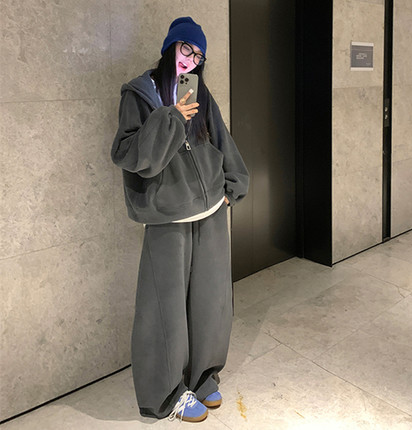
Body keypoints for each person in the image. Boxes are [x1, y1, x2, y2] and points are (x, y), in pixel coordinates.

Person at [111, 16, 249, 423]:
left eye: (199, 55)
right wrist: (170, 116)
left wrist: (233, 185)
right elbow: (130, 155)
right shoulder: (139, 93)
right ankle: (167, 393)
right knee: (163, 309)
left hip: (210, 210)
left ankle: (204, 377)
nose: (191, 59)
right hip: (167, 215)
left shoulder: (199, 91)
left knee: (211, 302)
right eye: (186, 49)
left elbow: (221, 138)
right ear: (170, 47)